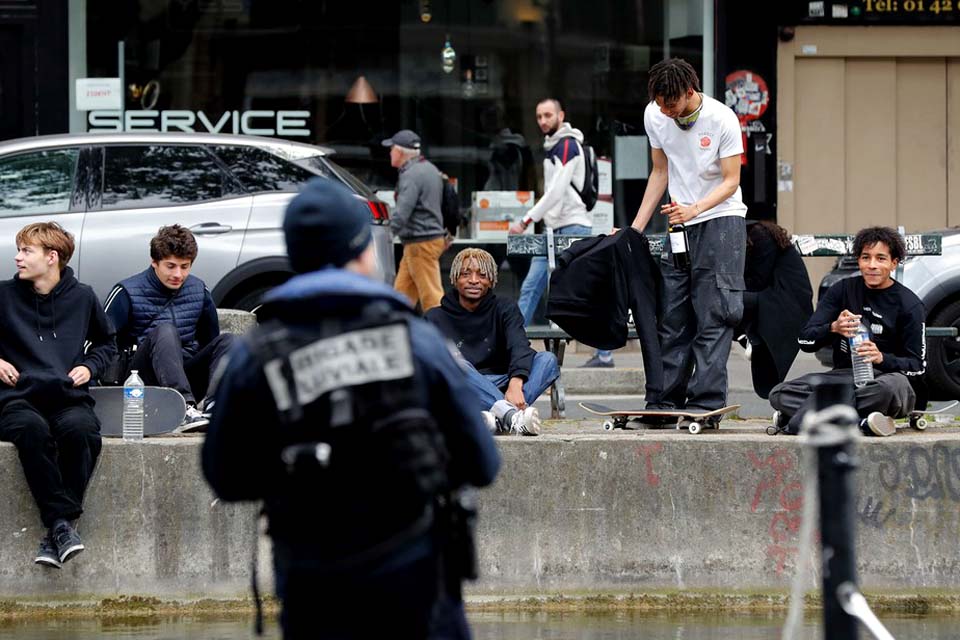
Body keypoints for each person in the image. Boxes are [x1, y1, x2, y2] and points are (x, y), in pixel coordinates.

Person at [201, 177, 500, 639]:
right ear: (362, 251)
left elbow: (223, 474)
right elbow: (483, 463)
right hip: (420, 595)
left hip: (314, 595)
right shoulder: (418, 342)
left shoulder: (256, 355)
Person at [628, 58, 747, 428]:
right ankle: (663, 400)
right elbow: (660, 171)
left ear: (690, 92)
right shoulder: (655, 115)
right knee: (673, 314)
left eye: (672, 103)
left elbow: (730, 180)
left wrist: (694, 208)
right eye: (660, 103)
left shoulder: (723, 118)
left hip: (721, 220)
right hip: (679, 224)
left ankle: (706, 401)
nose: (666, 110)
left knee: (715, 313)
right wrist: (635, 229)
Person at [0, 222, 116, 569]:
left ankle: (57, 529)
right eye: (19, 250)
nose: (18, 257)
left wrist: (90, 367)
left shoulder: (82, 297)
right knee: (32, 432)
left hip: (68, 397)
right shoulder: (3, 295)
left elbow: (107, 342)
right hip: (15, 398)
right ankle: (61, 526)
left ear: (52, 258)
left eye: (26, 251)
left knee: (82, 433)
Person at [769, 226, 925, 437]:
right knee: (779, 393)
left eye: (880, 258)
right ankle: (862, 423)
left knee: (887, 390)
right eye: (865, 257)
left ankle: (803, 416)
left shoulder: (909, 304)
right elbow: (805, 341)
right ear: (858, 260)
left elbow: (917, 368)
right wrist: (833, 328)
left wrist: (881, 358)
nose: (872, 265)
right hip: (843, 377)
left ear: (893, 263)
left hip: (885, 380)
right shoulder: (842, 290)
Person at [507, 98, 614, 367]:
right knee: (531, 287)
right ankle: (510, 345)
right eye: (539, 116)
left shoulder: (567, 145)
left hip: (573, 226)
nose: (543, 120)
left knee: (582, 291)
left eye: (547, 115)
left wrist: (526, 220)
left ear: (560, 115)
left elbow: (556, 191)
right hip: (554, 230)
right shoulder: (555, 146)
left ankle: (604, 352)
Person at [104, 225, 234, 430]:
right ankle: (183, 409)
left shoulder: (199, 290)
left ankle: (215, 407)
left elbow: (211, 342)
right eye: (171, 266)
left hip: (187, 375)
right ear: (154, 262)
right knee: (165, 330)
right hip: (141, 382)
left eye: (185, 266)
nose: (178, 274)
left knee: (229, 341)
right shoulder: (126, 291)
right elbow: (101, 341)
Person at [427, 248, 559, 436]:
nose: (474, 280)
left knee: (547, 360)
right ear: (455, 278)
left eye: (482, 275)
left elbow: (519, 346)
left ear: (492, 280)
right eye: (466, 274)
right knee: (455, 364)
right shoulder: (435, 317)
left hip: (503, 381)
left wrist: (515, 383)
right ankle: (513, 417)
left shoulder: (505, 308)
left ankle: (494, 418)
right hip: (464, 386)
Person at [735, 220, 813, 399]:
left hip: (786, 302)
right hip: (777, 298)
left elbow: (757, 281)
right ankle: (747, 335)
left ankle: (748, 335)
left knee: (727, 300)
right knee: (725, 300)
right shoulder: (752, 234)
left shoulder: (759, 235)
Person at [383, 129, 447, 312]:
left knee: (431, 296)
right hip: (421, 241)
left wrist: (386, 235)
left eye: (392, 149)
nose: (390, 153)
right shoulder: (429, 169)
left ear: (400, 152)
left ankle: (445, 336)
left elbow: (403, 211)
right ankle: (395, 326)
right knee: (402, 294)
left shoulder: (411, 175)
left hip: (421, 242)